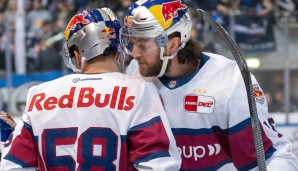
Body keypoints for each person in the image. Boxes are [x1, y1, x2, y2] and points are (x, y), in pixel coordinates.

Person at [120, 0, 298, 170]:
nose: (134, 53)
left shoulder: (230, 81)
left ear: (172, 45)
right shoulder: (136, 70)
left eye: (142, 45)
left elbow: (272, 157)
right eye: (132, 43)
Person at [0, 8, 181, 170]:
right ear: (119, 51)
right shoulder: (139, 90)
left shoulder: (39, 94)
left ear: (77, 55)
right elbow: (160, 165)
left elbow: (13, 166)